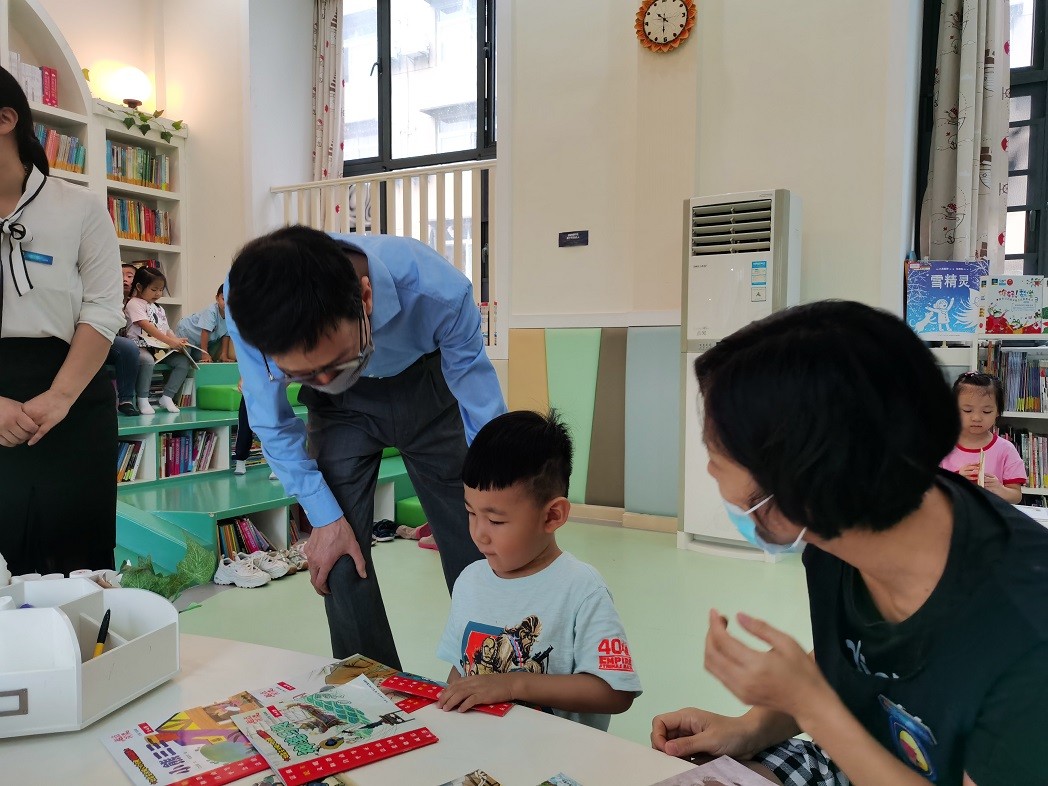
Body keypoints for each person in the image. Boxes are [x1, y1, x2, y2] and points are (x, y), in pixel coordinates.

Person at [651, 301, 1048, 786]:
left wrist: (812, 707)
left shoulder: (1026, 635)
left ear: (797, 485)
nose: (711, 471)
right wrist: (747, 729)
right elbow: (852, 660)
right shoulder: (838, 535)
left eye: (718, 453)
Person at [225, 225, 506, 665]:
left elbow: (478, 401)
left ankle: (494, 670)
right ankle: (370, 683)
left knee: (476, 533)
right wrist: (324, 517)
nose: (324, 380)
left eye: (336, 363)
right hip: (339, 416)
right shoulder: (251, 300)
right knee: (336, 546)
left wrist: (500, 486)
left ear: (365, 298)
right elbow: (271, 420)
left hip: (428, 390)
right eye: (303, 373)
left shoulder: (437, 291)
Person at [435, 410, 640, 731]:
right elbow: (461, 672)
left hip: (557, 754)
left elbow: (615, 691)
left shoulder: (582, 589)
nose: (478, 533)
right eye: (470, 513)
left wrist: (513, 684)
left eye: (496, 520)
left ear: (552, 516)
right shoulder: (469, 581)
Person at [0, 65, 124, 575]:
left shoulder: (80, 207)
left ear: (6, 119)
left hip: (73, 395)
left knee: (75, 565)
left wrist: (60, 397)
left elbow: (104, 308)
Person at [939, 371, 1025, 503]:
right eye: (967, 410)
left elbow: (1016, 496)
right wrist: (956, 480)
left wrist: (999, 489)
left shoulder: (1006, 449)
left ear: (998, 412)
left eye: (986, 411)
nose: (976, 418)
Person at [125, 266, 192, 414]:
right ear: (139, 287)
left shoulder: (159, 308)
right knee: (147, 360)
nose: (158, 293)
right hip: (139, 346)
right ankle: (143, 399)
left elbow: (166, 329)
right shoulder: (134, 303)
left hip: (159, 347)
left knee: (183, 361)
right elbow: (146, 325)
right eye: (154, 289)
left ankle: (167, 396)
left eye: (161, 290)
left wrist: (177, 341)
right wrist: (170, 342)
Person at [109, 262, 144, 415]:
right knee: (128, 347)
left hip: (133, 345)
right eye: (120, 275)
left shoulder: (141, 304)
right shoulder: (107, 298)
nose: (125, 279)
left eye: (130, 276)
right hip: (105, 340)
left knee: (131, 348)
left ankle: (128, 401)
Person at [176, 284, 235, 363]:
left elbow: (226, 336)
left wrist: (224, 354)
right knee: (185, 358)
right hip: (186, 331)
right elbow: (205, 332)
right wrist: (204, 353)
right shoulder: (211, 311)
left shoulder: (231, 316)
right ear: (217, 298)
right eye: (223, 299)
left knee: (201, 359)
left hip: (198, 341)